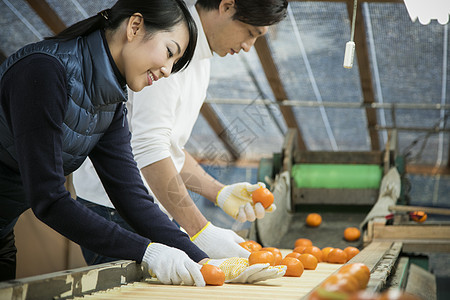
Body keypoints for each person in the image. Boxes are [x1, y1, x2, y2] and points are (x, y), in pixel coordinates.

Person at [0, 0, 285, 285]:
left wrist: (205, 259)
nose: (167, 71)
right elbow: (49, 199)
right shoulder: (44, 72)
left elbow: (131, 195)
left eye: (176, 63)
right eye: (169, 52)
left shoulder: (110, 102)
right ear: (135, 27)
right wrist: (149, 251)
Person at [73, 0, 288, 264]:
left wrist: (219, 192)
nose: (247, 47)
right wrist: (200, 230)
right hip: (116, 210)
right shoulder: (170, 43)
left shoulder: (201, 56)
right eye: (251, 33)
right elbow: (149, 147)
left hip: (148, 210)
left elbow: (168, 147)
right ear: (227, 6)